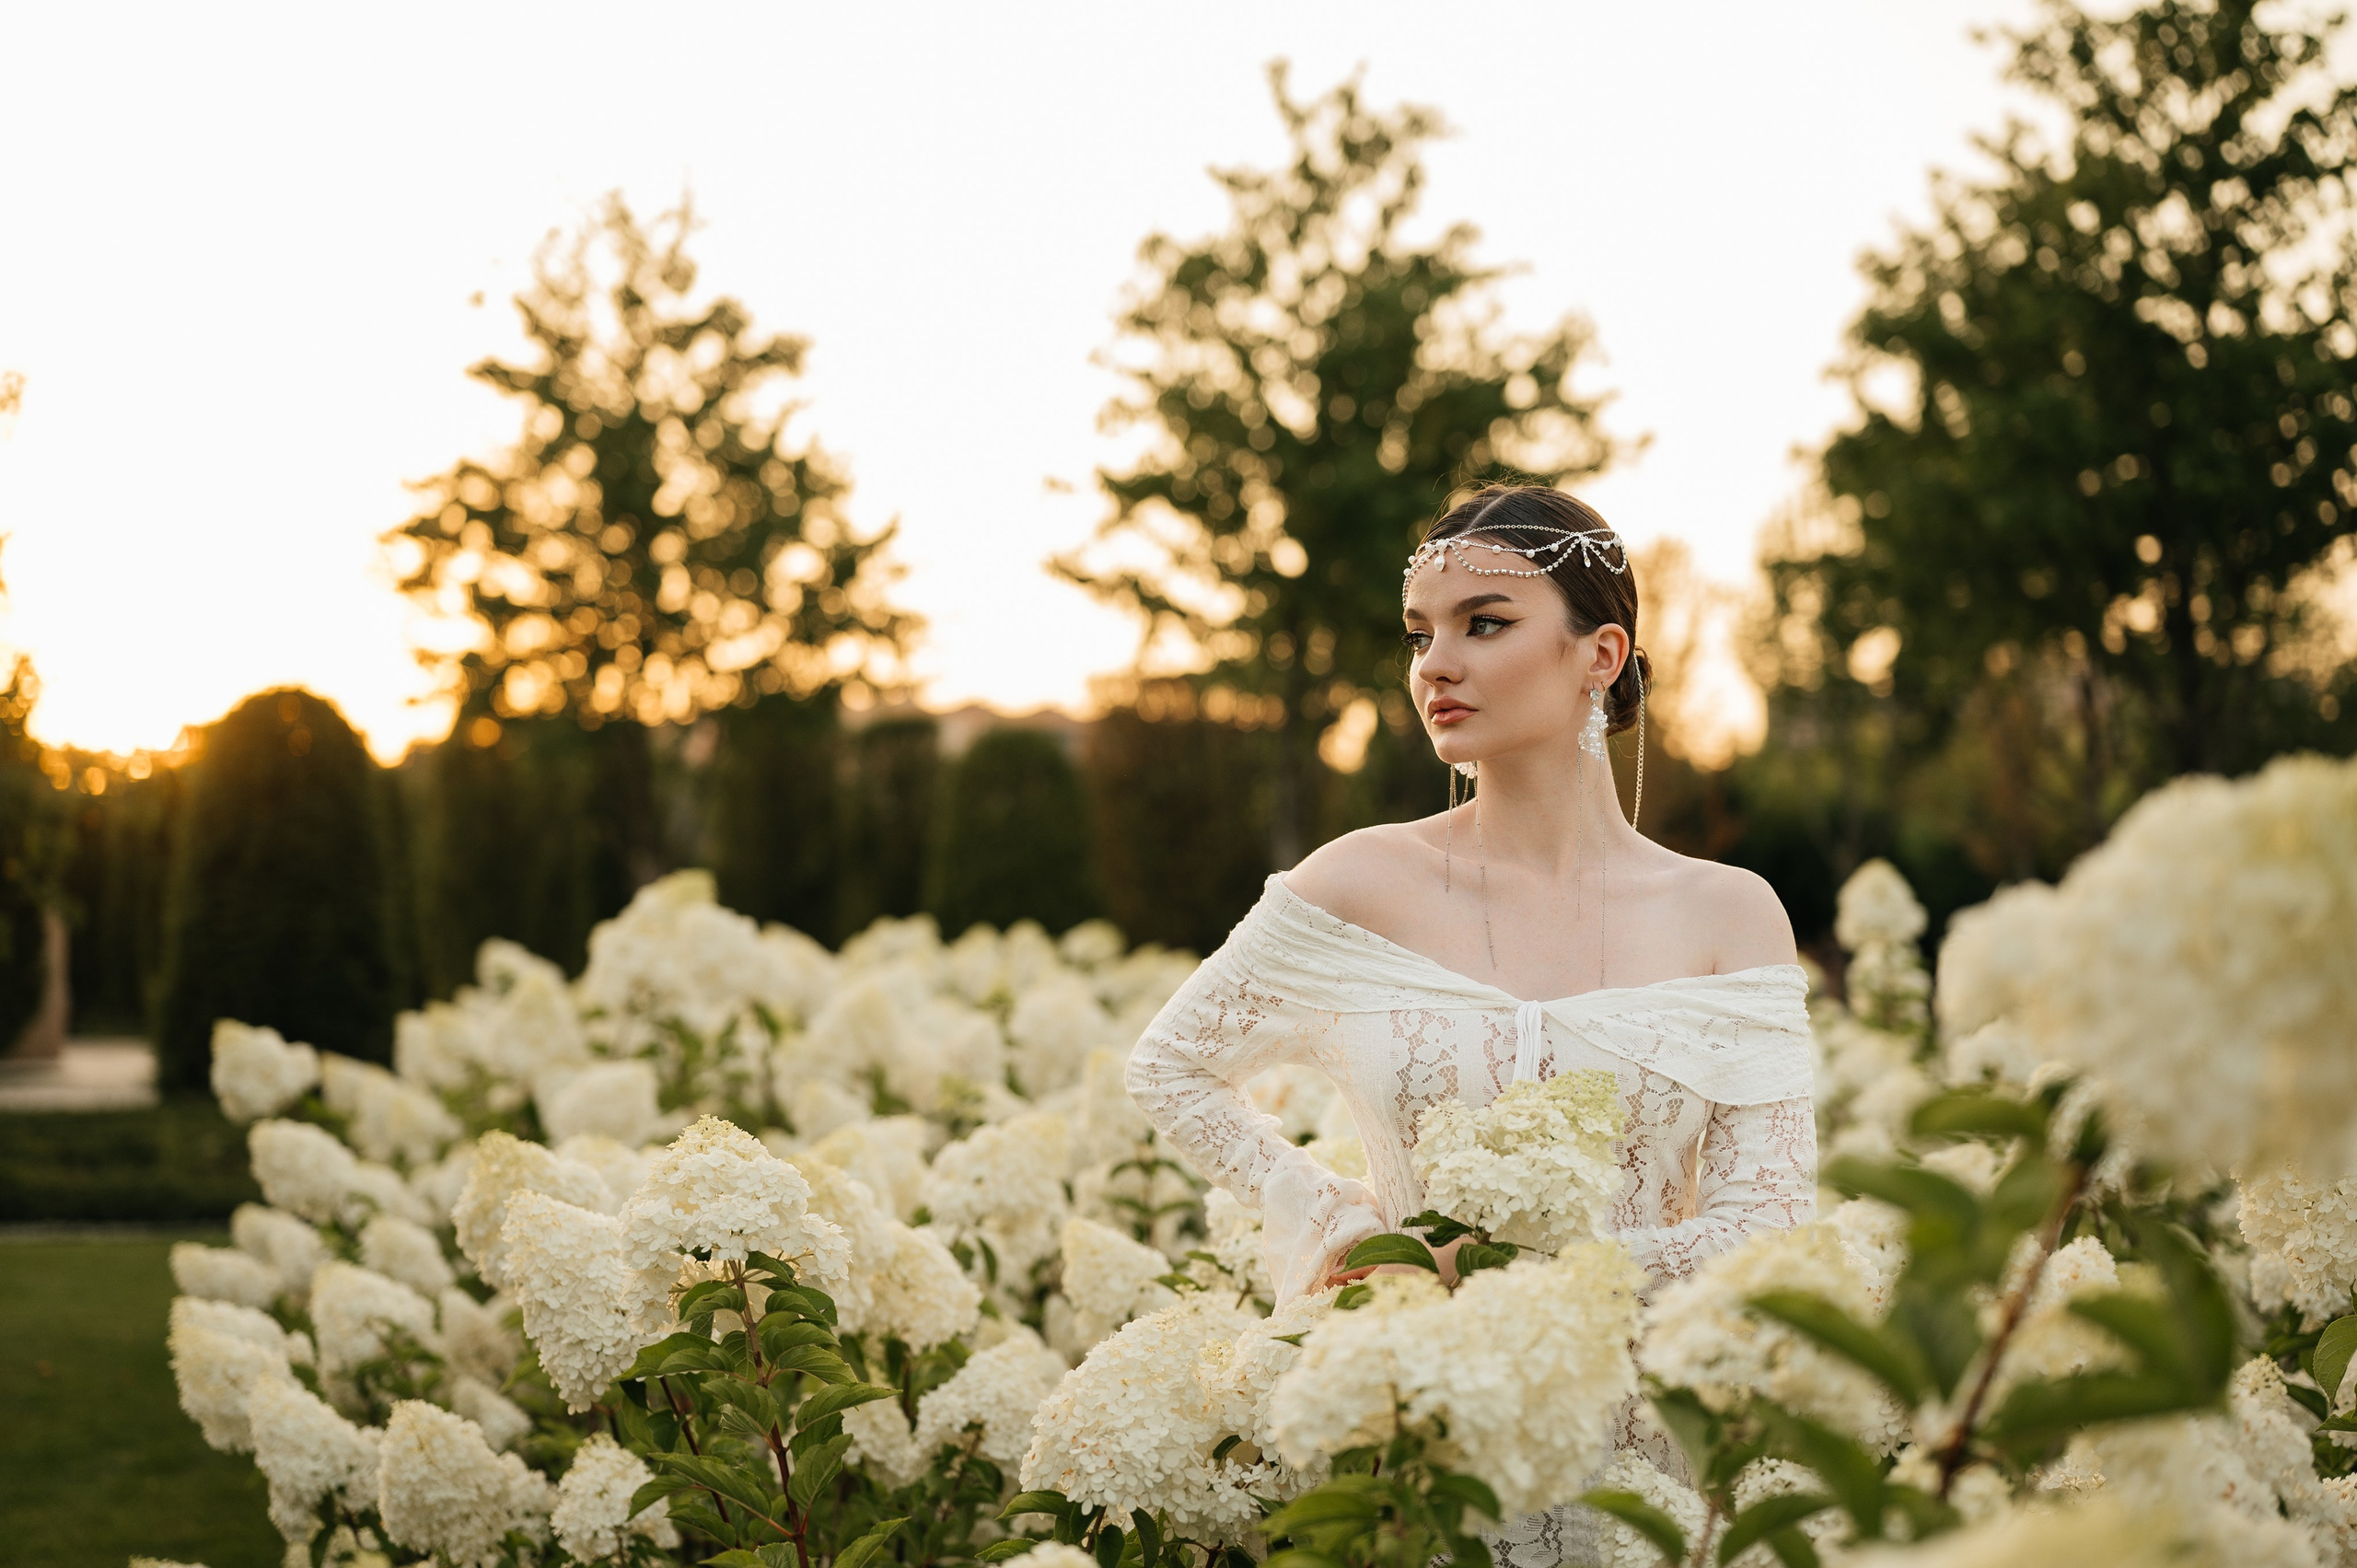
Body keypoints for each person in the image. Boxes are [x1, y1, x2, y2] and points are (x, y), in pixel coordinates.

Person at [1125, 483, 1817, 1563]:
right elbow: (1170, 1067)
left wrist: (1519, 1279)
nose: (1433, 664)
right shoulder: (1356, 880)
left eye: (1483, 624)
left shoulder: (1729, 913)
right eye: (1420, 634)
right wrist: (1355, 1231)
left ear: (1600, 652)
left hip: (1638, 1462)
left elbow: (1766, 1216)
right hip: (1408, 1461)